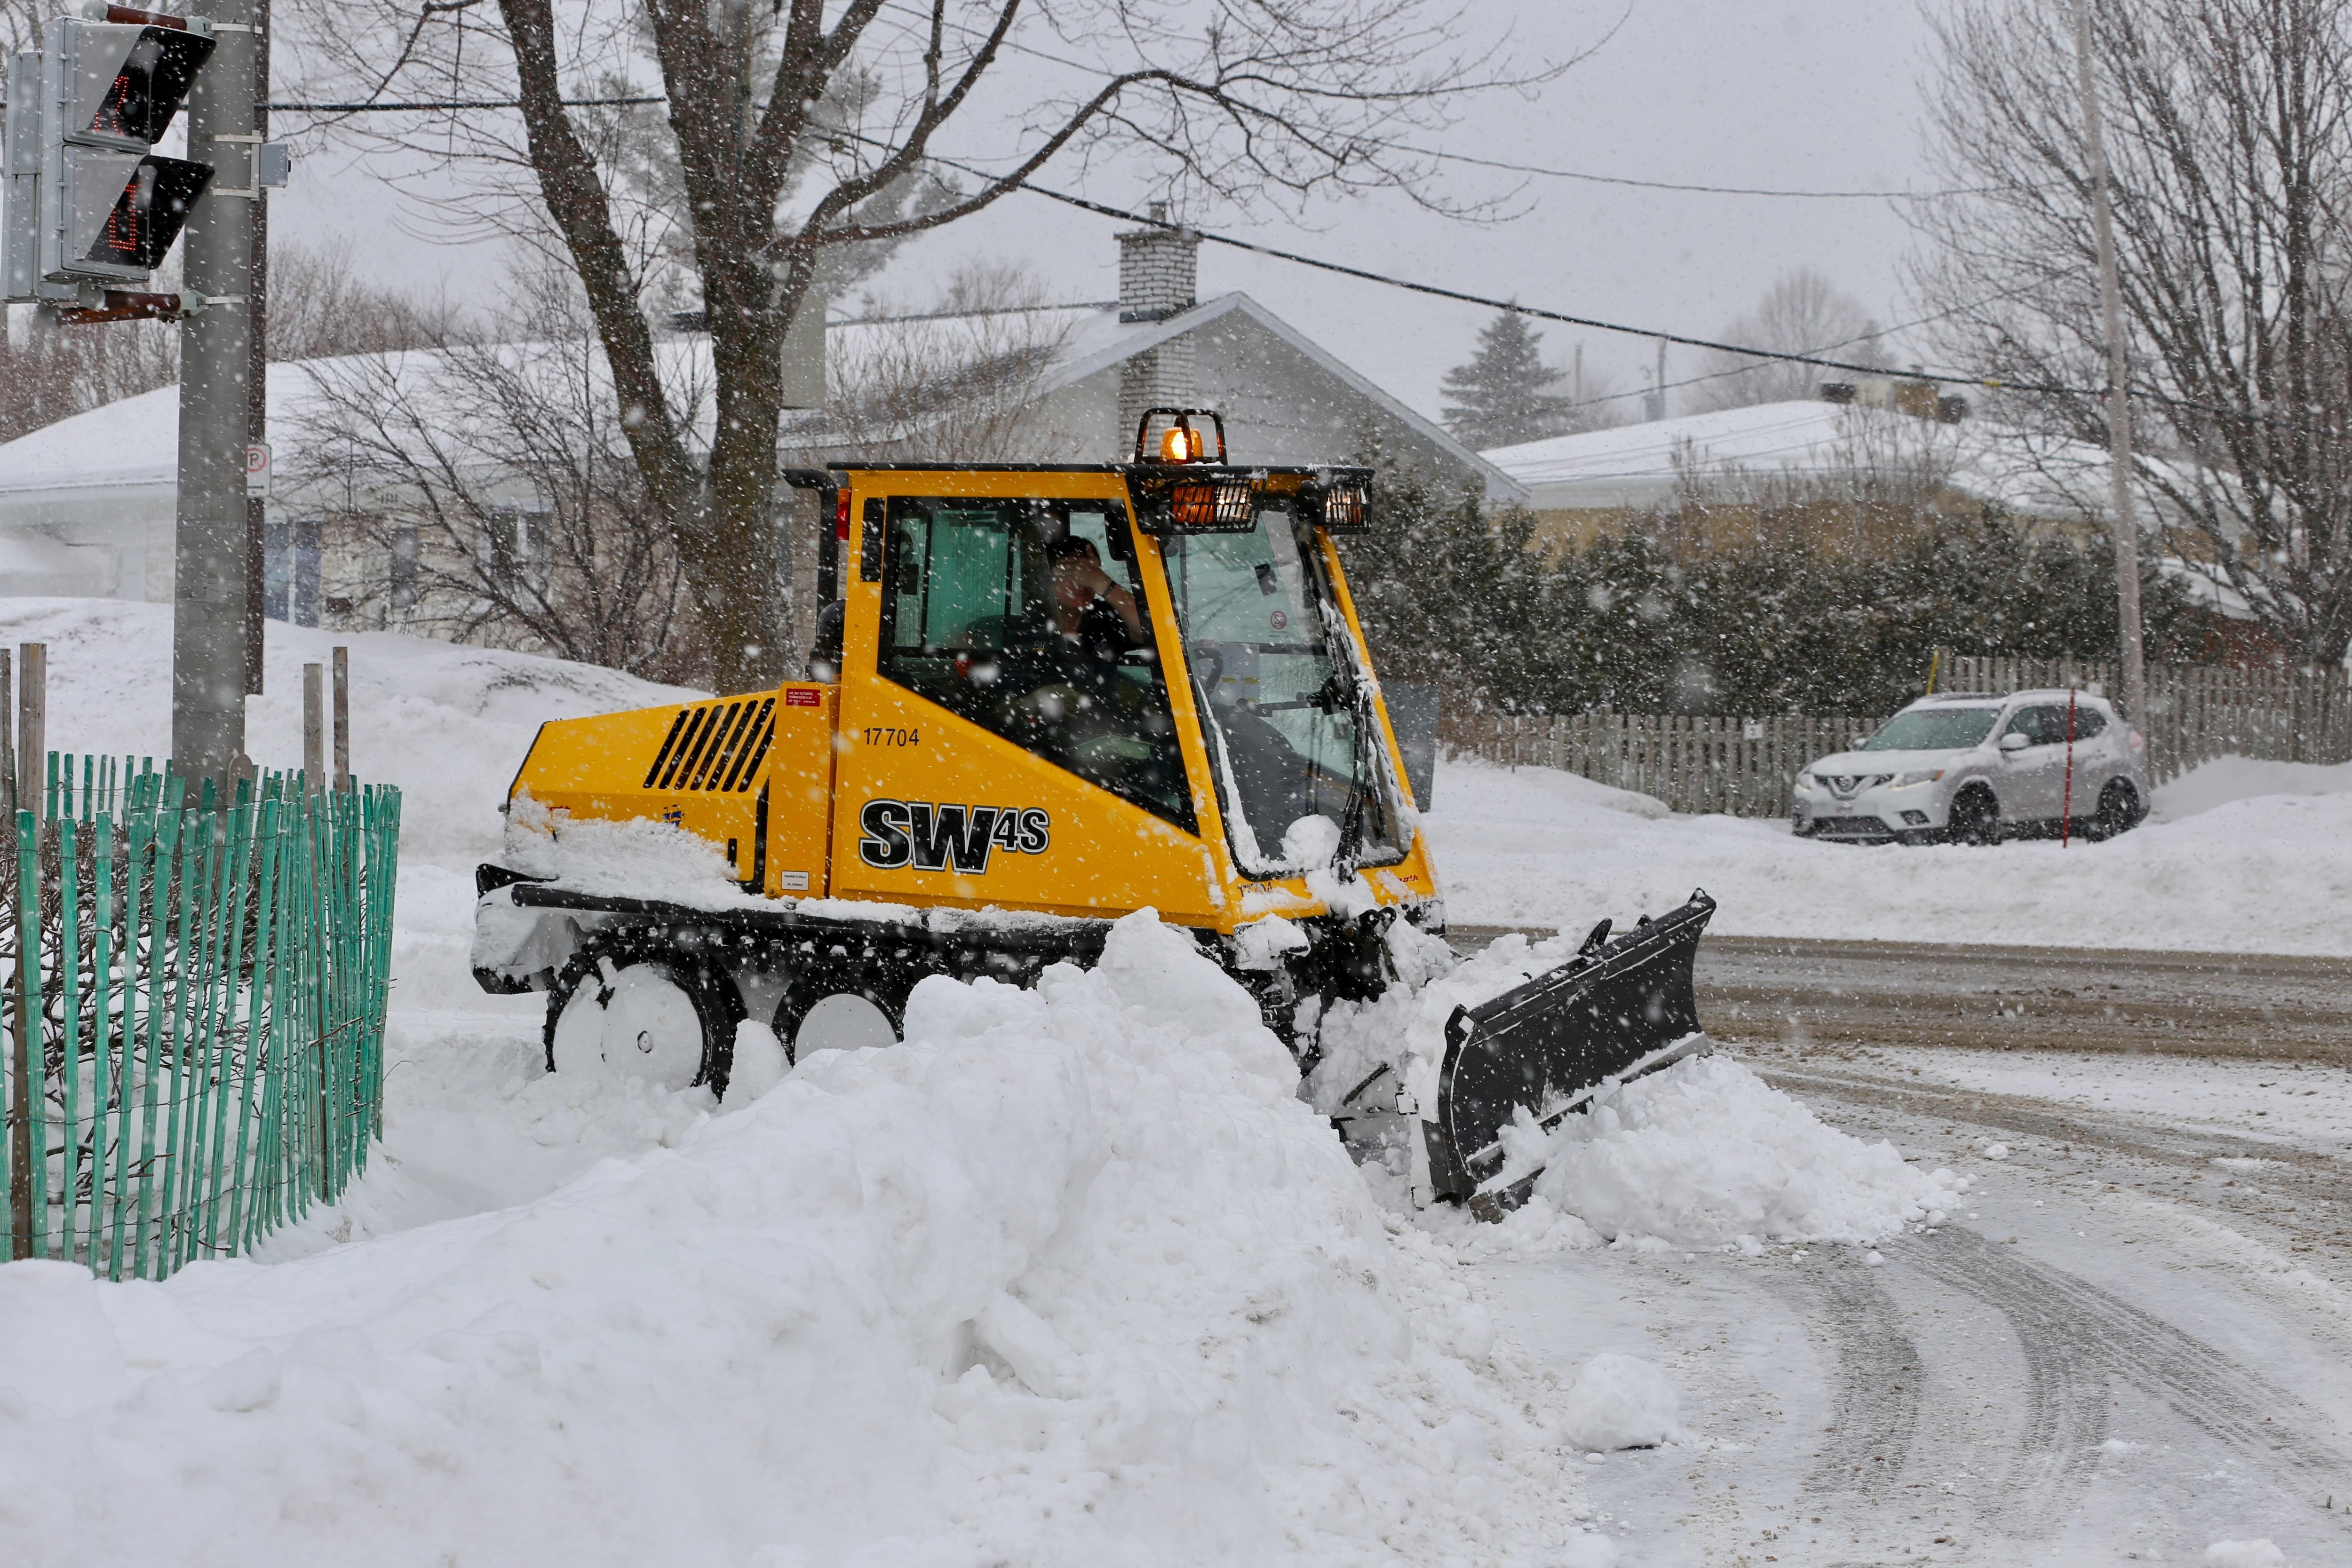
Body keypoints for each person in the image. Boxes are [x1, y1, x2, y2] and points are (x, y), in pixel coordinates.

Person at [1046, 535, 1147, 667]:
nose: (1081, 584)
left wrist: (1103, 583)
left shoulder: (1103, 617)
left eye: (1088, 575)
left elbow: (1153, 632)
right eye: (1071, 574)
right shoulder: (1032, 622)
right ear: (1049, 577)